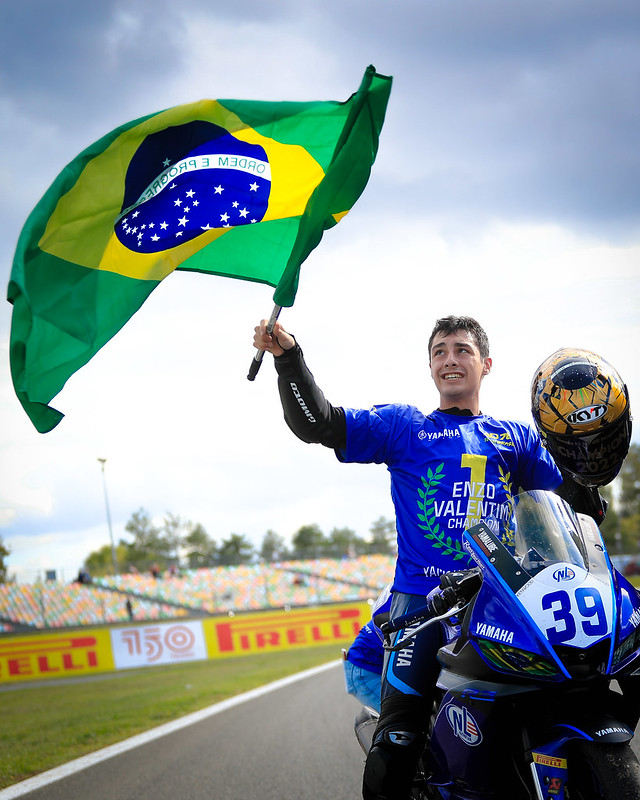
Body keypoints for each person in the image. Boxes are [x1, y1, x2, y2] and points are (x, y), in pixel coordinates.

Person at [252, 314, 594, 800]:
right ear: (430, 366)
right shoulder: (403, 427)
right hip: (420, 609)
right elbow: (318, 424)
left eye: (462, 350)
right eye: (439, 351)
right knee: (397, 741)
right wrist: (288, 359)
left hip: (503, 605)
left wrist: (592, 454)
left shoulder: (517, 437)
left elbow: (571, 506)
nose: (450, 359)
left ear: (486, 364)